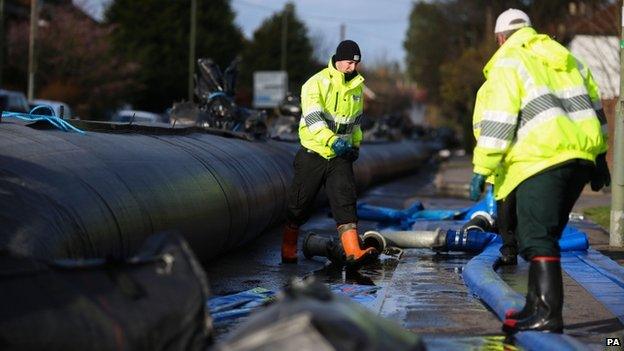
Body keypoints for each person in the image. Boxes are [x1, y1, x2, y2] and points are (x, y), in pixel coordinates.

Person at [469, 9, 610, 333]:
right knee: (543, 236)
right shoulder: (568, 59)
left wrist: (483, 168)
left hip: (540, 159)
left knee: (535, 236)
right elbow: (596, 108)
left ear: (500, 38)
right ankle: (533, 306)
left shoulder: (508, 61)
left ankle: (548, 314)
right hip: (578, 159)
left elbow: (499, 121)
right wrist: (600, 156)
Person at [281, 40, 377, 266]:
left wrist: (355, 145)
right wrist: (331, 141)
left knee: (345, 200)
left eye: (356, 63)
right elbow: (313, 118)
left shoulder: (358, 88)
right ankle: (288, 246)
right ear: (337, 59)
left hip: (340, 156)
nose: (352, 67)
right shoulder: (316, 83)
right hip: (313, 151)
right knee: (299, 204)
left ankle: (353, 251)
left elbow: (355, 122)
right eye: (348, 62)